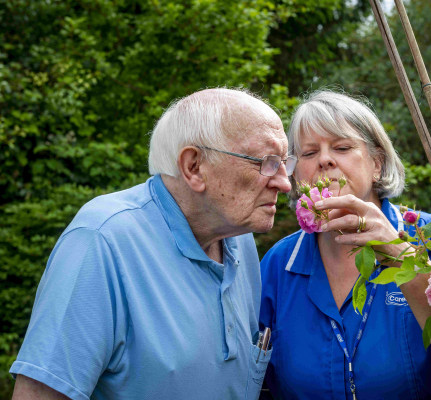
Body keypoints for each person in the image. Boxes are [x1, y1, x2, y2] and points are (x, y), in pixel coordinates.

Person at [10, 88, 296, 400]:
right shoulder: (102, 241)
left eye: (284, 162)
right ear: (194, 167)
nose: (284, 182)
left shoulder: (238, 238)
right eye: (266, 162)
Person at [259, 90, 431, 399]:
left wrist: (400, 255)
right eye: (308, 153)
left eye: (342, 147)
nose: (325, 159)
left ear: (377, 164)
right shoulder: (279, 264)